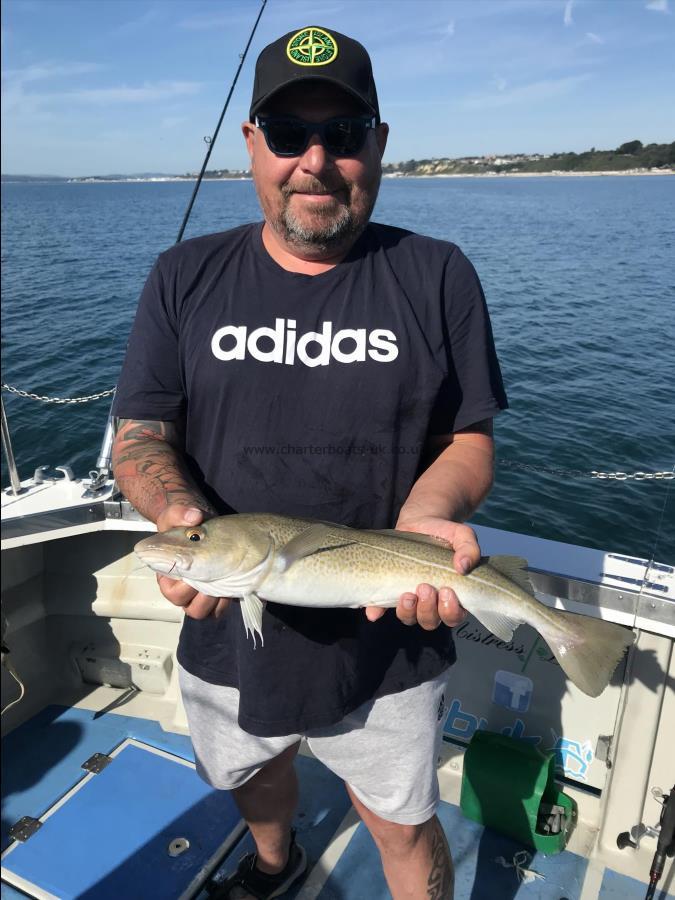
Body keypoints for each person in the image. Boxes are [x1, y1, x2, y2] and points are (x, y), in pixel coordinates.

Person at [111, 25, 507, 900]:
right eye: (288, 134)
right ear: (252, 144)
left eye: (345, 133)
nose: (315, 161)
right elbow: (139, 434)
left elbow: (470, 436)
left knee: (400, 821)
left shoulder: (437, 274)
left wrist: (429, 513)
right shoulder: (182, 275)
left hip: (389, 635)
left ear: (380, 144)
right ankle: (273, 863)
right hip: (229, 634)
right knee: (252, 778)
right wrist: (182, 522)